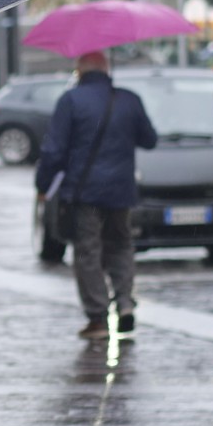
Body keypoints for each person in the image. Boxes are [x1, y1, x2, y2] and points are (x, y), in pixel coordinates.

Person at [35, 51, 158, 339]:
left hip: (84, 192)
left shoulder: (71, 100)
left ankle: (98, 318)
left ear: (80, 69)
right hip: (121, 191)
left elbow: (54, 151)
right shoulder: (129, 99)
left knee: (88, 252)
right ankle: (125, 302)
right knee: (121, 245)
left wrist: (43, 185)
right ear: (106, 68)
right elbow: (149, 140)